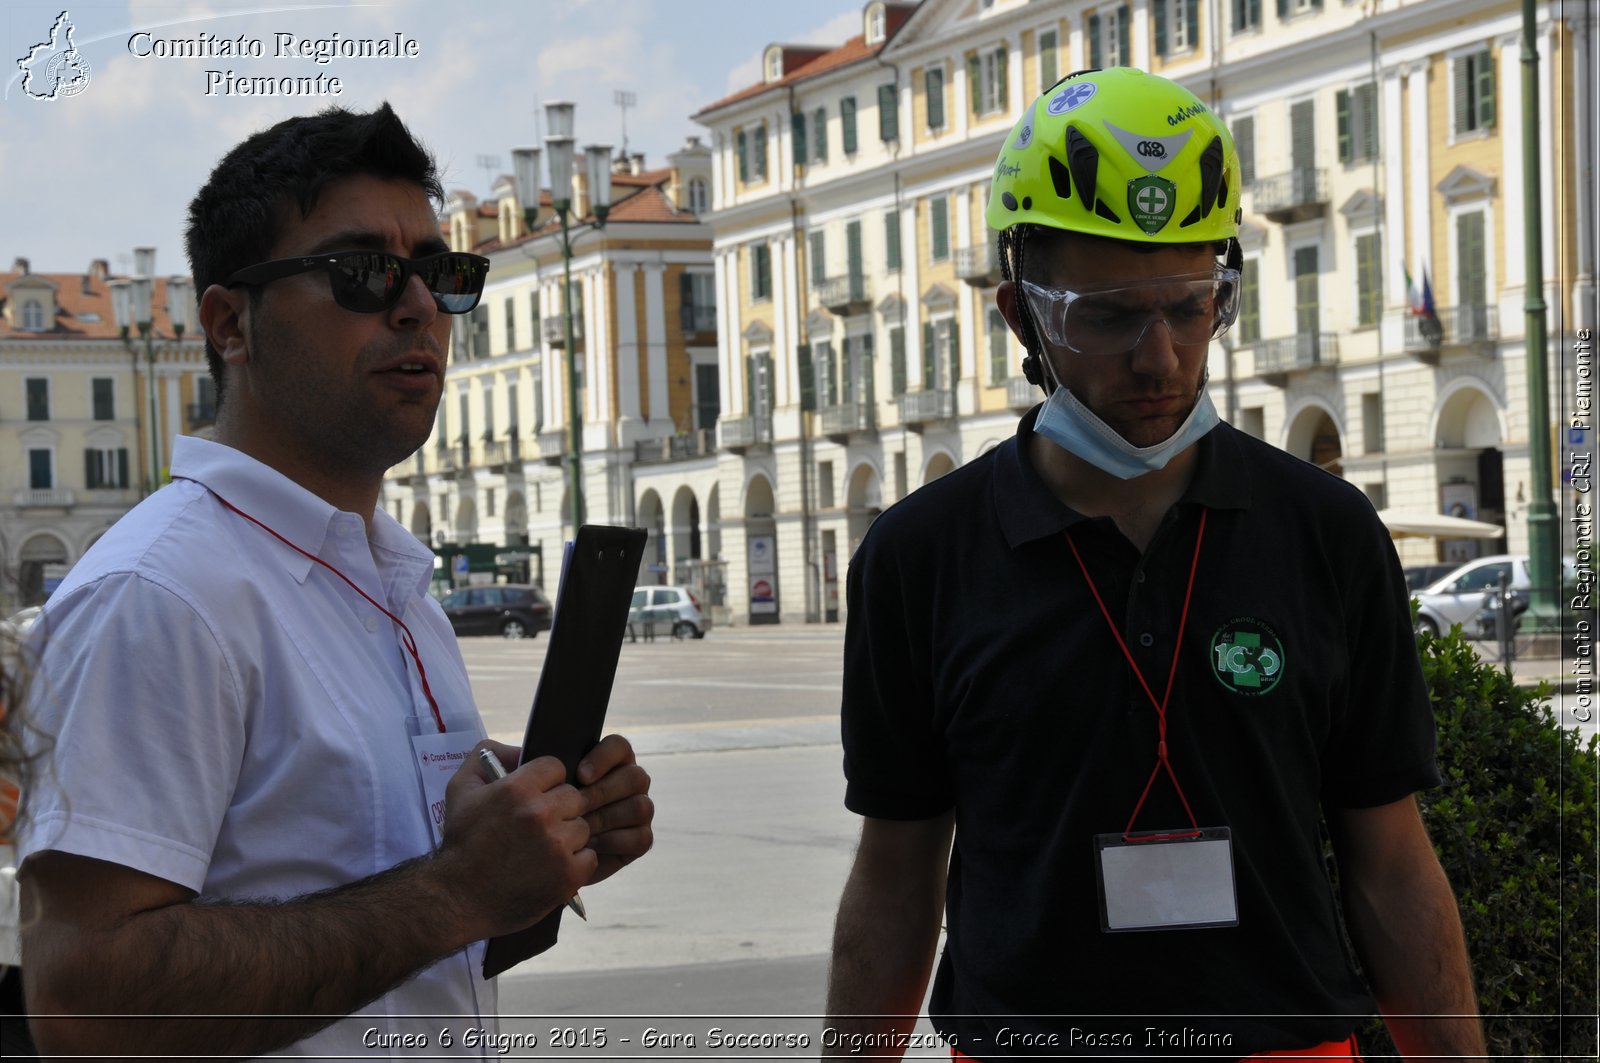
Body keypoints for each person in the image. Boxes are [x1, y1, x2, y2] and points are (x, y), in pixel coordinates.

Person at [824, 68, 1485, 1061]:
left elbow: (1390, 862)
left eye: (1191, 305)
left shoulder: (1326, 531)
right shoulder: (918, 559)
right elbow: (894, 875)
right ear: (1020, 317)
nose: (1161, 358)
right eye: (1107, 316)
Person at [15, 103, 654, 1058]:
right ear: (231, 324)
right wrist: (456, 889)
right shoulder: (161, 597)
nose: (418, 307)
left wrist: (534, 855)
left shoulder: (393, 589)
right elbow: (84, 1002)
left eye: (445, 275)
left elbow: (416, 963)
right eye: (363, 273)